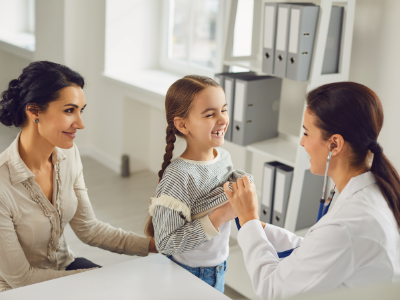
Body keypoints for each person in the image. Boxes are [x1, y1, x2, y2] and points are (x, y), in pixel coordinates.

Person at [223, 82, 400, 299]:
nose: (302, 142)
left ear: (334, 144)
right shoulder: (375, 189)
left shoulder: (348, 224)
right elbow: (316, 251)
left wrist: (249, 220)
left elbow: (273, 290)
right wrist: (260, 229)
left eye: (306, 133)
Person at [0, 61, 157, 292]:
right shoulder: (3, 184)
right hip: (19, 288)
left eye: (80, 110)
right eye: (69, 110)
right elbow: (21, 278)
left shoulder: (68, 154)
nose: (80, 124)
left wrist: (156, 245)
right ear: (34, 111)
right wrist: (99, 276)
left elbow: (89, 229)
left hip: (64, 266)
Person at [145, 75, 253, 293]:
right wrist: (221, 214)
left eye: (223, 110)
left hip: (219, 266)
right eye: (210, 114)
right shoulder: (179, 176)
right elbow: (165, 243)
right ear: (182, 124)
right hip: (187, 273)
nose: (222, 120)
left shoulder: (223, 158)